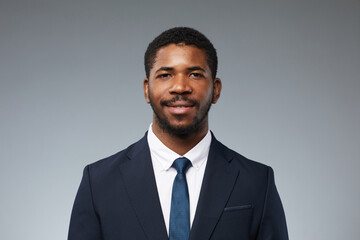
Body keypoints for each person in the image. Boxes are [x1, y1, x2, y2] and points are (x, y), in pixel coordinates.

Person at [68, 27, 288, 240]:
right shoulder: (98, 183)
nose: (180, 87)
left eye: (194, 74)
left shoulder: (257, 182)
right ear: (146, 89)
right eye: (165, 75)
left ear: (216, 89)